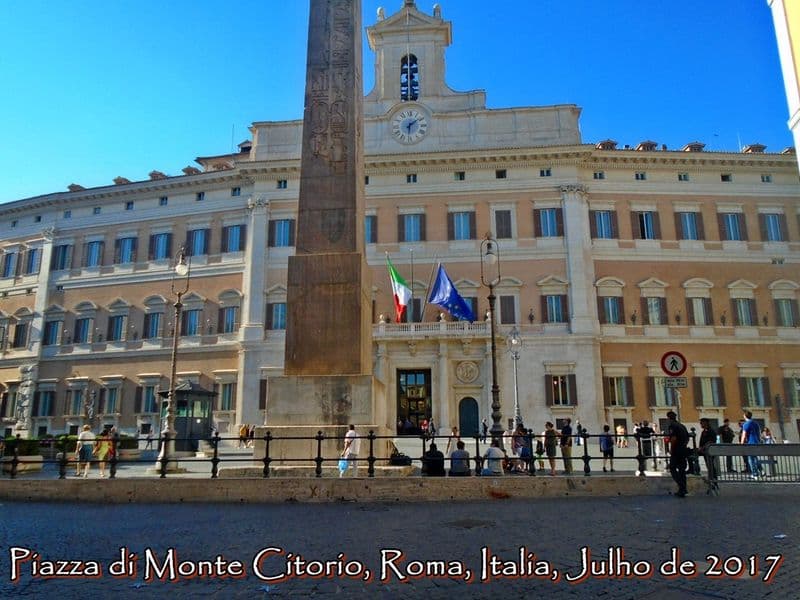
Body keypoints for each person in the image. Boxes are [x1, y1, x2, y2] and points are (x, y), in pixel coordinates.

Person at [665, 411, 690, 497]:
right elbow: (687, 438)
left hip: (677, 450)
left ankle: (682, 487)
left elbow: (674, 439)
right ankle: (683, 489)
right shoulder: (682, 425)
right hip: (683, 449)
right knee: (682, 470)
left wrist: (671, 449)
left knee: (672, 468)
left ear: (668, 418)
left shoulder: (672, 426)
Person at [741, 411, 762, 479]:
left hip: (750, 443)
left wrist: (741, 443)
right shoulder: (756, 423)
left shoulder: (746, 424)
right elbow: (759, 433)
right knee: (755, 458)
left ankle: (755, 474)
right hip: (757, 442)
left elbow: (743, 435)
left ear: (745, 416)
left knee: (750, 459)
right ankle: (761, 471)